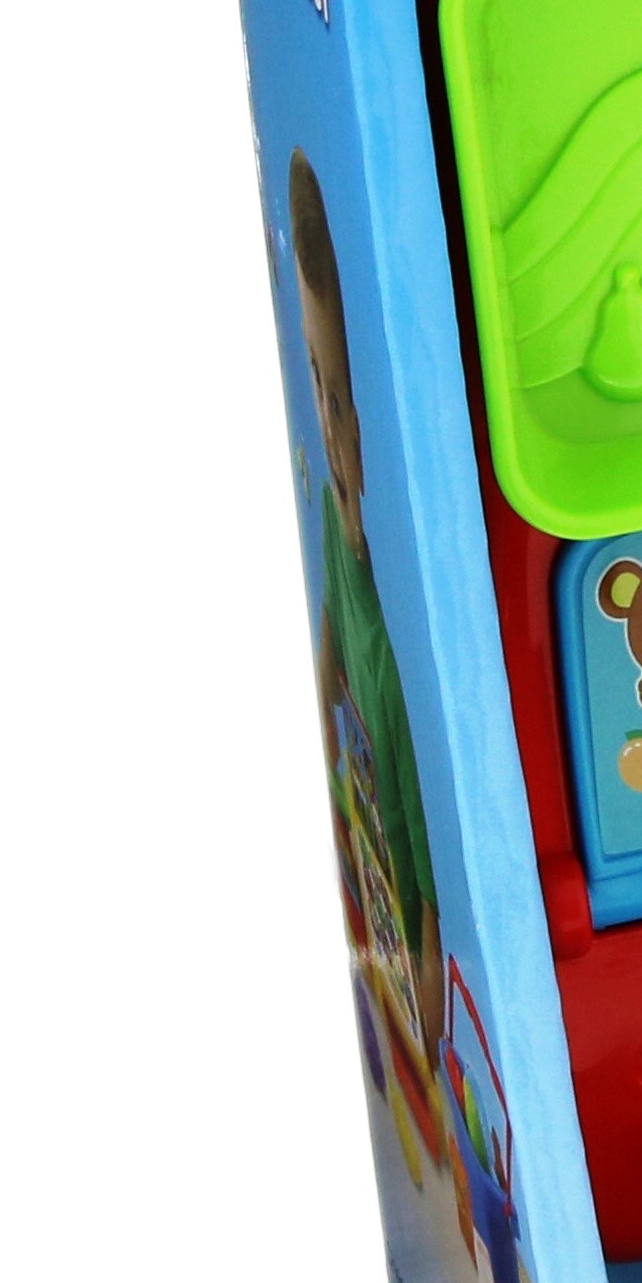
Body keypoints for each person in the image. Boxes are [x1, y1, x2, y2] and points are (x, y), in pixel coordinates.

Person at [291, 153, 444, 1121]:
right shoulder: (331, 520)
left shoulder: (405, 639)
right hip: (367, 841)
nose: (325, 412)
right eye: (317, 386)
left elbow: (434, 914)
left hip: (406, 853)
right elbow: (324, 655)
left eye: (340, 398)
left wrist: (429, 1065)